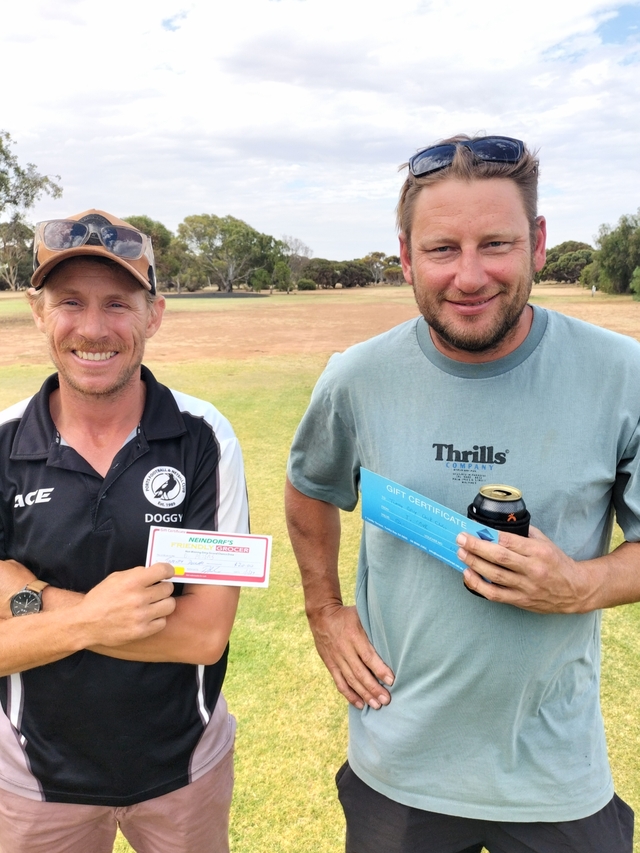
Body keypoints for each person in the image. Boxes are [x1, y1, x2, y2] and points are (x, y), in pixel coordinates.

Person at [285, 136, 637, 853]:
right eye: (443, 248)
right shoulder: (357, 377)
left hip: (555, 772)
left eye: (496, 244)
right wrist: (324, 611)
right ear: (406, 256)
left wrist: (580, 585)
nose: (469, 276)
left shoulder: (622, 375)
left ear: (538, 243)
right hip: (398, 770)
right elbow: (308, 489)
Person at [0, 210, 248, 853]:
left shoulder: (205, 437)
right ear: (37, 311)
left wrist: (32, 599)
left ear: (153, 314)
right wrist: (94, 618)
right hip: (31, 778)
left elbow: (204, 635)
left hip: (184, 771)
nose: (93, 328)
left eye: (117, 303)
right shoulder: (2, 443)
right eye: (70, 302)